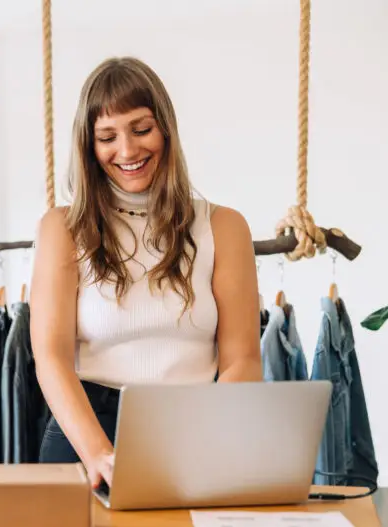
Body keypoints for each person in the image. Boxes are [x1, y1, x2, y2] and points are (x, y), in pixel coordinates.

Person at [30, 57, 262, 488]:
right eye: (107, 137)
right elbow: (51, 358)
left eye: (141, 129)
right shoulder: (62, 228)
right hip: (87, 430)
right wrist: (100, 454)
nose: (128, 151)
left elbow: (244, 359)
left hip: (197, 425)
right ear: (89, 146)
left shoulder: (224, 227)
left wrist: (201, 442)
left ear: (166, 130)